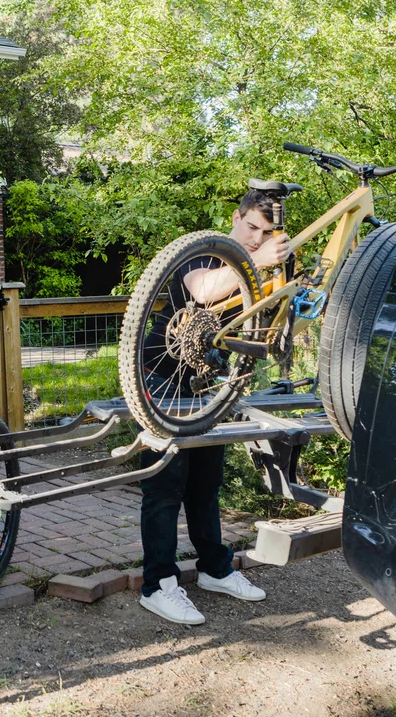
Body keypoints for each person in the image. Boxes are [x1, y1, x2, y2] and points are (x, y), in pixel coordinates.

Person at [137, 189, 291, 625]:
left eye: (266, 233)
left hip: (210, 387)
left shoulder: (255, 270)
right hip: (162, 379)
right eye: (251, 228)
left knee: (206, 484)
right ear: (236, 217)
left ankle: (214, 569)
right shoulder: (201, 251)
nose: (257, 239)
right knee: (165, 487)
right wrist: (256, 262)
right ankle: (158, 585)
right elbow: (204, 292)